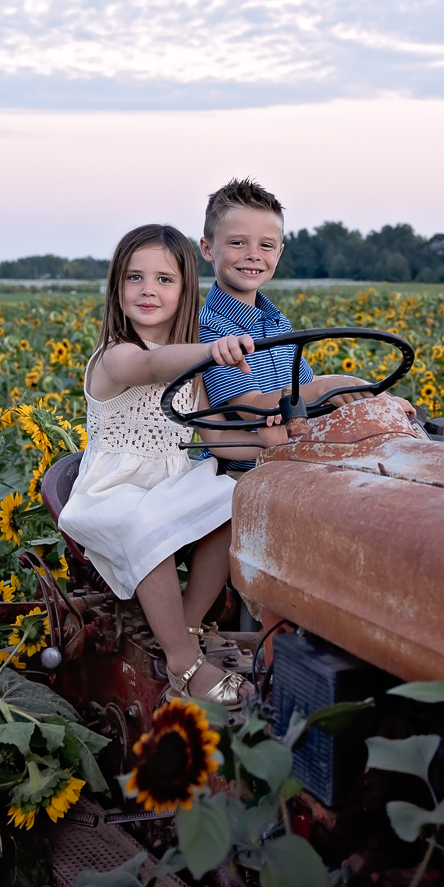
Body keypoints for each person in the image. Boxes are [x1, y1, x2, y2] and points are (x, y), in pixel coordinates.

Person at [56, 223, 276, 706]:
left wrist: (274, 448)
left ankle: (190, 623)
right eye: (135, 278)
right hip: (114, 490)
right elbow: (153, 367)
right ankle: (182, 659)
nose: (148, 290)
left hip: (170, 480)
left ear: (185, 290)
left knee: (237, 494)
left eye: (164, 279)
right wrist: (210, 351)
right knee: (144, 520)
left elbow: (223, 440)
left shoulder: (194, 374)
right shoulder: (116, 357)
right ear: (117, 288)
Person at [196, 177, 373, 472]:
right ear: (207, 248)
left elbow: (303, 385)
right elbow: (252, 404)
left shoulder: (277, 321)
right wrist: (327, 387)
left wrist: (362, 389)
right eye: (237, 243)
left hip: (294, 459)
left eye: (266, 245)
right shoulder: (211, 329)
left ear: (278, 253)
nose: (253, 254)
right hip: (243, 471)